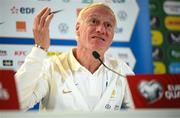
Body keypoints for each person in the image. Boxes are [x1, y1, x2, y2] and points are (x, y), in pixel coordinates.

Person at [15, 2, 134, 111]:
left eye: (108, 25)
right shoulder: (51, 67)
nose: (101, 29)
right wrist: (39, 49)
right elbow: (17, 104)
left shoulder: (121, 70)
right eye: (93, 21)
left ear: (112, 36)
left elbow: (143, 111)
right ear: (77, 29)